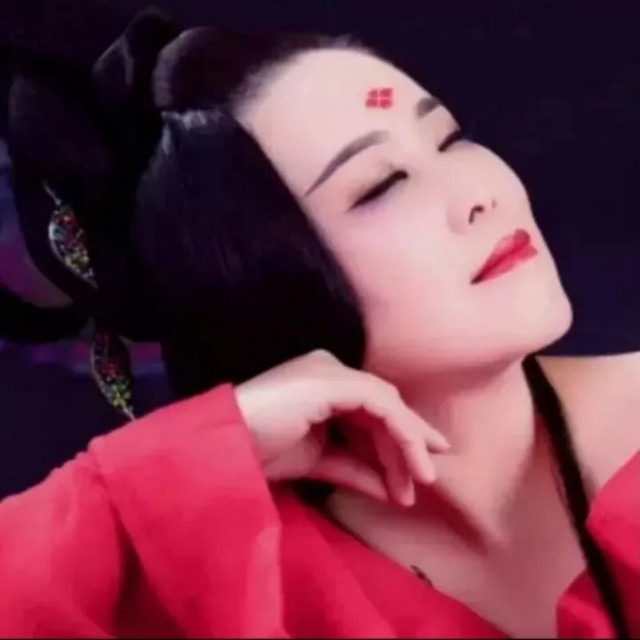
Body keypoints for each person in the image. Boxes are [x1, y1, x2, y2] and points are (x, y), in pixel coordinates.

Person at [0, 7, 638, 638]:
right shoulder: (235, 570)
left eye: (449, 138)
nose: (478, 194)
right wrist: (201, 452)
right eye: (382, 184)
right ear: (257, 285)